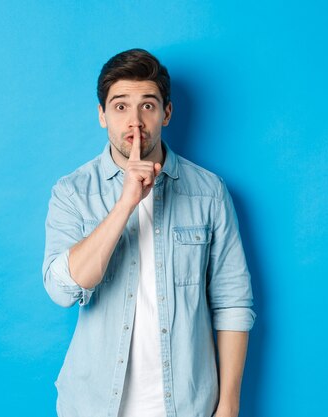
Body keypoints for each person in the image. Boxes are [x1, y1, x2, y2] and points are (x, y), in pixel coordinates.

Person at [42, 48, 255, 417]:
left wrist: (229, 406)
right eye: (121, 106)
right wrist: (126, 202)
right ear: (102, 116)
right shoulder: (73, 191)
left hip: (187, 405)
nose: (135, 122)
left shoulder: (208, 191)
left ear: (166, 113)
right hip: (93, 405)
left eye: (148, 105)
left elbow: (233, 303)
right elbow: (62, 289)